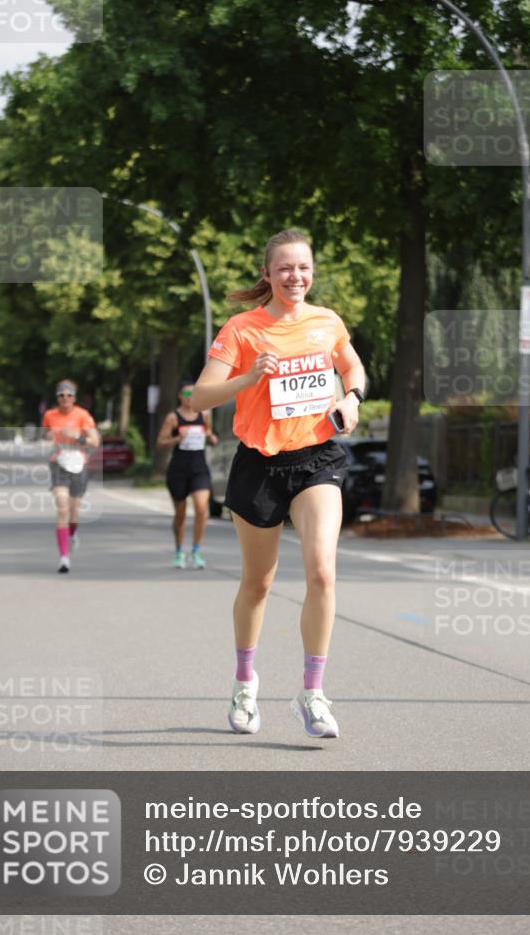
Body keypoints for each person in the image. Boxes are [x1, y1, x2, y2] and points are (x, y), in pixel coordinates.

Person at [190, 229, 366, 739]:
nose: (297, 277)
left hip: (317, 458)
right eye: (285, 268)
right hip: (259, 463)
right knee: (258, 583)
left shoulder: (326, 321)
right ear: (267, 273)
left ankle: (312, 694)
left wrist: (351, 398)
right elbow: (200, 397)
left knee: (322, 572)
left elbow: (351, 364)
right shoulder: (243, 329)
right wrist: (248, 379)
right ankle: (245, 683)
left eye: (304, 268)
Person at [157, 381, 218, 569]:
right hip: (178, 470)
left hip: (199, 469)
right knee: (180, 515)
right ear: (180, 396)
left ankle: (196, 550)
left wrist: (211, 438)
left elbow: (210, 435)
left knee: (201, 509)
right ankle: (178, 551)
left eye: (193, 393)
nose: (190, 396)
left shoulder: (204, 415)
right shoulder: (173, 418)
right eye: (186, 393)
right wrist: (176, 438)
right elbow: (160, 442)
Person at [42, 380, 99, 573]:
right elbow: (45, 434)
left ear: (74, 397)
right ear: (57, 397)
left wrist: (78, 437)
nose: (65, 398)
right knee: (62, 506)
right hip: (58, 463)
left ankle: (72, 533)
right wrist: (48, 436)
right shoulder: (50, 415)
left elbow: (95, 442)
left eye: (69, 395)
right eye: (61, 395)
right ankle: (64, 558)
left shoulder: (83, 415)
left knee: (74, 513)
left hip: (79, 464)